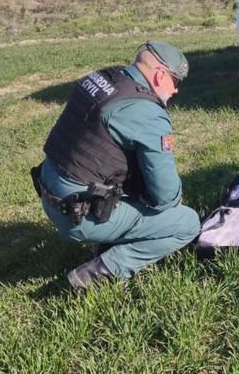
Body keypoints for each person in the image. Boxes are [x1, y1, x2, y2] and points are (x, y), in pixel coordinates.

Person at [32, 42, 200, 291]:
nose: (175, 91)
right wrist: (172, 200)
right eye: (176, 82)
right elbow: (165, 196)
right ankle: (97, 275)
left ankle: (108, 241)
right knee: (187, 222)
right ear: (160, 75)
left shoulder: (103, 78)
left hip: (51, 188)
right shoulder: (146, 112)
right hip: (78, 213)